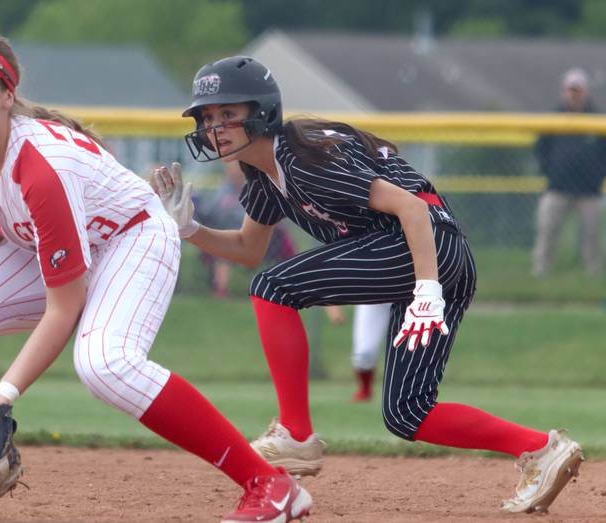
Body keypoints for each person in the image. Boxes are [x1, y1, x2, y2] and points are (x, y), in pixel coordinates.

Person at [0, 34, 311, 523]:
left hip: (130, 235)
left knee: (105, 364)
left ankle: (270, 483)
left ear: (7, 94)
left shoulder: (44, 167)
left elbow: (63, 308)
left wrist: (3, 396)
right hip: (57, 240)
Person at [153, 55, 584, 514]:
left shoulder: (304, 157)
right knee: (408, 412)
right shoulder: (264, 175)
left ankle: (295, 433)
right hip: (433, 254)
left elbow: (413, 209)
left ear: (262, 112)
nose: (214, 126)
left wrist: (426, 291)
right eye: (208, 117)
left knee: (274, 287)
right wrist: (190, 229)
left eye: (227, 114)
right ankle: (541, 448)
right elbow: (247, 248)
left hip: (423, 244)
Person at [533, 67, 606, 276]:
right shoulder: (554, 118)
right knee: (547, 230)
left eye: (578, 89)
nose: (574, 94)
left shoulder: (597, 119)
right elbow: (541, 149)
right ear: (564, 91)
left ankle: (593, 274)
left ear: (585, 91)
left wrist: (598, 174)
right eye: (570, 89)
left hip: (589, 190)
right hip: (557, 187)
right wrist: (551, 171)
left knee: (592, 235)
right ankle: (542, 272)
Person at [198, 161, 296, 298]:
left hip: (261, 237)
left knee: (283, 236)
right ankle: (221, 291)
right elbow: (211, 211)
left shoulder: (254, 187)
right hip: (230, 233)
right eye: (231, 171)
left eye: (237, 170)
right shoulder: (223, 190)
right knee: (223, 253)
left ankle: (291, 284)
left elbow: (258, 214)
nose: (234, 174)